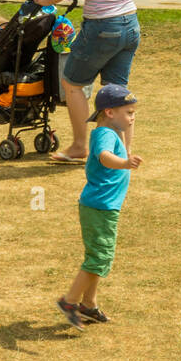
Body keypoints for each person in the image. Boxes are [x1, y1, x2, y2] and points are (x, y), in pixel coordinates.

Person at [32, 0, 139, 164]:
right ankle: (122, 153)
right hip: (130, 24)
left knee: (72, 83)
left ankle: (80, 146)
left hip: (103, 26)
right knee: (116, 91)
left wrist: (45, 0)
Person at [55, 84, 141, 331]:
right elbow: (103, 156)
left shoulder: (112, 131)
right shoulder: (104, 133)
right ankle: (69, 301)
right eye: (129, 112)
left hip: (104, 206)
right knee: (99, 257)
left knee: (98, 258)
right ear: (110, 113)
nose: (133, 117)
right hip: (100, 207)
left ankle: (88, 305)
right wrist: (124, 162)